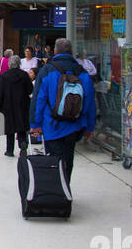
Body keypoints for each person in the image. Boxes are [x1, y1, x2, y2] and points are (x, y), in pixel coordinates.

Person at [30, 38, 97, 191]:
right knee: (68, 159)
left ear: (55, 51)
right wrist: (90, 126)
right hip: (74, 126)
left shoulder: (47, 70)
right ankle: (65, 188)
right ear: (71, 52)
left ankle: (55, 192)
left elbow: (39, 99)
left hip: (51, 125)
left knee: (54, 159)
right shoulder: (82, 72)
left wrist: (35, 124)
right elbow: (89, 102)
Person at [0, 55, 34, 157]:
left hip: (7, 106)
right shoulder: (24, 75)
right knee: (22, 127)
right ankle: (22, 144)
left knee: (9, 129)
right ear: (19, 63)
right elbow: (30, 90)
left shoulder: (4, 76)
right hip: (22, 105)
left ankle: (9, 150)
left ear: (10, 64)